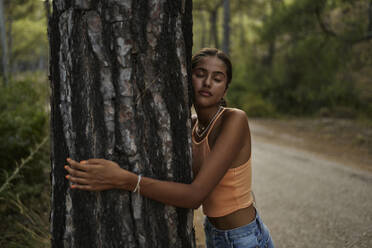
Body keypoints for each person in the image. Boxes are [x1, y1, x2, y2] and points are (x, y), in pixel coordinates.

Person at [65, 48, 274, 248]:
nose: (208, 83)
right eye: (200, 74)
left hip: (245, 238)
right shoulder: (190, 126)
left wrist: (124, 179)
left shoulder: (234, 119)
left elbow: (195, 196)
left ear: (225, 88)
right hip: (215, 235)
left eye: (217, 78)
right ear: (187, 77)